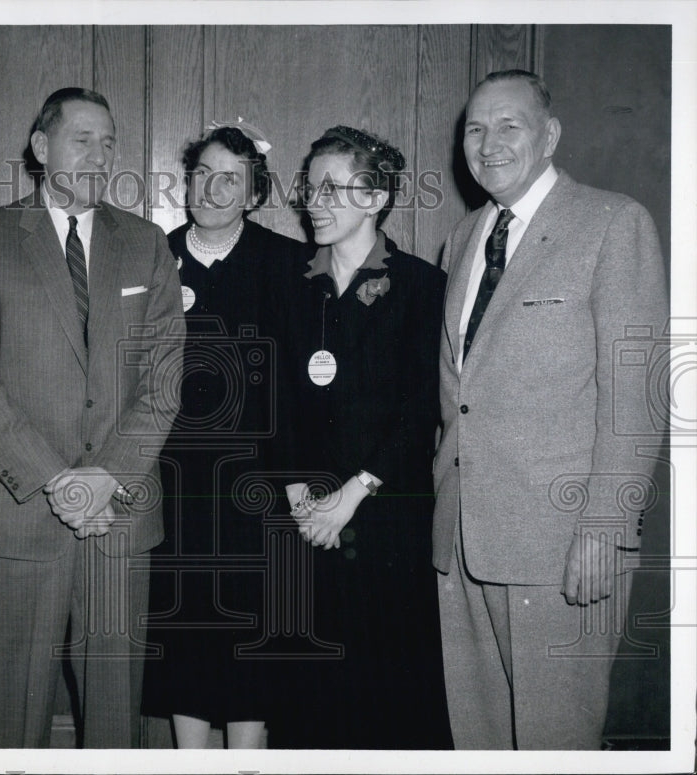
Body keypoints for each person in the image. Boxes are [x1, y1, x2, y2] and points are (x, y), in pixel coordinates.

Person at [433, 69, 668, 749]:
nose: (489, 142)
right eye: (475, 128)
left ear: (550, 134)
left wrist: (605, 524)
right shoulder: (460, 240)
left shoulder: (611, 223)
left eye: (510, 124)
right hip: (462, 537)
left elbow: (636, 394)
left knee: (554, 742)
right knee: (477, 739)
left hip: (564, 542)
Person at [0, 87, 183, 748]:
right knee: (5, 714)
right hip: (14, 513)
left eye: (108, 141)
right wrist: (62, 481)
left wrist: (106, 476)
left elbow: (163, 381)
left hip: (120, 517)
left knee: (114, 719)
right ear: (41, 145)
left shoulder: (145, 243)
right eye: (83, 138)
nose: (99, 154)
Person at [270, 126, 452, 749]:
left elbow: (420, 406)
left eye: (332, 187)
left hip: (386, 521)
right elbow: (280, 402)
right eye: (309, 186)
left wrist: (353, 493)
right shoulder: (291, 286)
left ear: (376, 199)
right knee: (310, 697)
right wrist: (298, 493)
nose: (314, 200)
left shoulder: (424, 287)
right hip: (307, 522)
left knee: (387, 699)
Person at [141, 123, 304, 748]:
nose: (211, 189)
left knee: (251, 636)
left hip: (256, 487)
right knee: (182, 634)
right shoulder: (152, 252)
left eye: (230, 179)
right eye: (202, 174)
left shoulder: (287, 264)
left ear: (253, 193)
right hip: (174, 484)